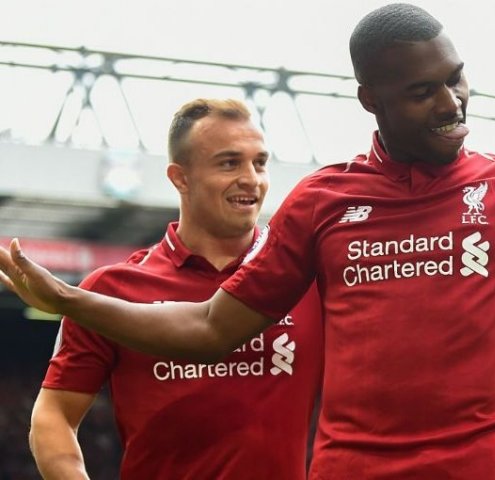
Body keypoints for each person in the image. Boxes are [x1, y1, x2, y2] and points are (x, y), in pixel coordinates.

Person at [0, 3, 495, 478]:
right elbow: (212, 326)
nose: (451, 103)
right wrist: (71, 301)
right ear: (371, 100)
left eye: (456, 79)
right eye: (422, 91)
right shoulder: (322, 203)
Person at [24, 98, 323, 479]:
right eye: (229, 163)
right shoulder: (109, 290)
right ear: (180, 177)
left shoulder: (305, 280)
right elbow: (54, 415)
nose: (251, 178)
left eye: (259, 162)